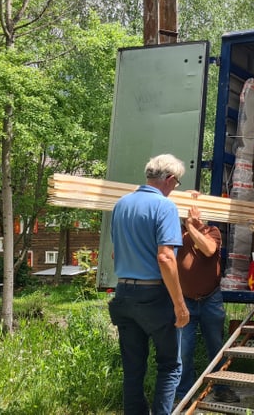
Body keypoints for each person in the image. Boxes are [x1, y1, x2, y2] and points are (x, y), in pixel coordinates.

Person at [108, 154, 190, 415]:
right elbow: (166, 257)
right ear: (169, 179)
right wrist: (180, 304)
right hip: (153, 294)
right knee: (170, 365)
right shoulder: (164, 207)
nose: (175, 189)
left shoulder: (121, 204)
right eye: (177, 184)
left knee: (133, 368)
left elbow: (114, 253)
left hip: (123, 292)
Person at [175, 197, 240, 404]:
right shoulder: (177, 235)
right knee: (184, 351)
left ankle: (221, 388)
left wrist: (191, 226)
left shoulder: (212, 232)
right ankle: (183, 394)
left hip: (211, 299)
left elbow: (209, 249)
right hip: (186, 301)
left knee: (216, 347)